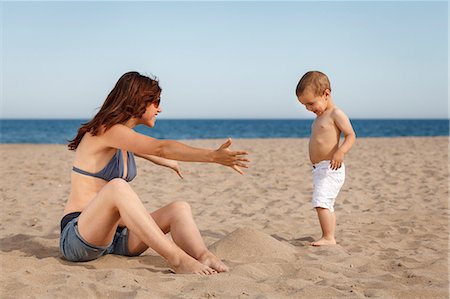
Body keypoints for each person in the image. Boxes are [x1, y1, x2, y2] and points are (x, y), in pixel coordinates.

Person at [60, 71, 250, 275]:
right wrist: (213, 156)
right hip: (80, 238)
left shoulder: (122, 140)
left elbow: (150, 152)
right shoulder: (107, 131)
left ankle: (203, 255)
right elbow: (159, 148)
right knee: (117, 187)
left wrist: (170, 163)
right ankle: (177, 259)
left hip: (118, 239)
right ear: (138, 101)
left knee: (179, 208)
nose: (159, 109)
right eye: (156, 101)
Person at [295, 71, 356, 246]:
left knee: (321, 201)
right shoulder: (319, 118)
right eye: (304, 105)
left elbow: (351, 135)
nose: (308, 108)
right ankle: (329, 235)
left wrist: (341, 151)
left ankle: (329, 237)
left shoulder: (336, 114)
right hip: (320, 169)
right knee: (325, 203)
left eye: (311, 103)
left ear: (326, 94)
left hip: (331, 167)